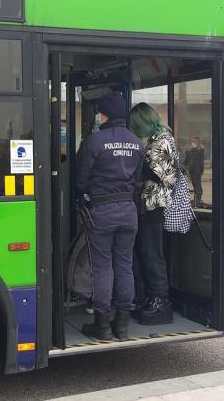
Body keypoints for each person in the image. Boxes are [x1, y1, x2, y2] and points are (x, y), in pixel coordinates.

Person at [76, 92, 142, 341]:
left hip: (101, 212)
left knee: (102, 268)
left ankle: (102, 326)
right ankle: (122, 325)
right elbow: (136, 179)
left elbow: (81, 179)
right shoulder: (136, 142)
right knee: (124, 267)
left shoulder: (95, 141)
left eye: (99, 112)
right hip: (128, 211)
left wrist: (81, 196)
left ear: (104, 115)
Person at [128, 102, 178, 325]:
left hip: (155, 204)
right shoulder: (159, 139)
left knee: (152, 253)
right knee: (146, 251)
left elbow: (159, 174)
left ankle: (160, 298)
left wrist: (138, 159)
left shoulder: (162, 141)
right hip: (149, 203)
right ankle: (152, 295)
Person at [184, 137, 205, 207]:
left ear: (197, 143)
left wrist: (201, 170)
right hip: (192, 170)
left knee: (197, 185)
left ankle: (198, 199)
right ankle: (197, 199)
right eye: (192, 142)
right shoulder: (189, 151)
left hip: (197, 170)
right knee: (195, 184)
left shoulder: (200, 151)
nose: (192, 144)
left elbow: (201, 162)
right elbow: (187, 161)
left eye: (194, 142)